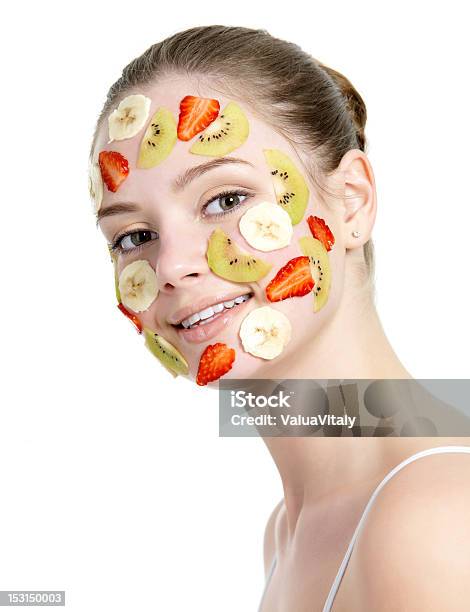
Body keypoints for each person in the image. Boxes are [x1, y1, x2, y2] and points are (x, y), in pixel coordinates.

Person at [88, 25, 470, 611]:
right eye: (134, 235)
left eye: (225, 199)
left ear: (352, 203)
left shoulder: (431, 517)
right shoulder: (285, 533)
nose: (172, 264)